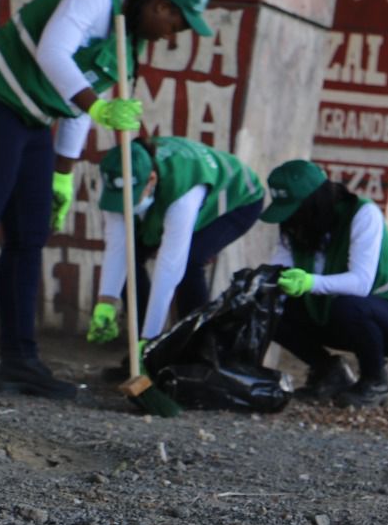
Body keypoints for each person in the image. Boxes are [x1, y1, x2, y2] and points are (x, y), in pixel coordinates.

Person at [0, 0, 212, 397]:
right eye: (176, 24)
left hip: (33, 117)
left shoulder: (128, 40)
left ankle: (19, 362)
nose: (172, 35)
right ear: (160, 5)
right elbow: (53, 53)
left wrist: (62, 174)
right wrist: (98, 109)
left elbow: (74, 103)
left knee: (30, 235)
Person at [85, 137, 265, 362]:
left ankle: (194, 352)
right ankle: (143, 346)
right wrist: (106, 303)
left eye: (131, 199)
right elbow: (119, 245)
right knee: (133, 257)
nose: (124, 208)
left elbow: (169, 268)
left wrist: (149, 340)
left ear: (151, 180)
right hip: (165, 194)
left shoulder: (183, 195)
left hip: (237, 200)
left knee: (190, 262)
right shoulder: (114, 173)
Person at [260, 160, 388, 408]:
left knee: (348, 305)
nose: (291, 218)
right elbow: (281, 270)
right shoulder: (296, 227)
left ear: (315, 201)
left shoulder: (363, 214)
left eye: (295, 208)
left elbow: (361, 283)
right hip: (328, 314)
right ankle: (328, 372)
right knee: (267, 307)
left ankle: (375, 380)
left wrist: (308, 282)